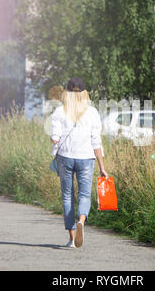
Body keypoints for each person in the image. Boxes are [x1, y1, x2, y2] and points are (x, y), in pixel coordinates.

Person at [50, 77, 108, 248]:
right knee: (84, 195)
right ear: (84, 93)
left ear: (66, 93)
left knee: (67, 196)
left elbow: (54, 139)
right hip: (86, 158)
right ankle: (82, 219)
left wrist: (56, 138)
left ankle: (72, 238)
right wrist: (102, 167)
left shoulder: (59, 112)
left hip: (65, 157)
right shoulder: (92, 113)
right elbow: (96, 142)